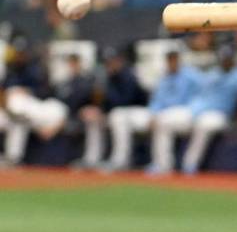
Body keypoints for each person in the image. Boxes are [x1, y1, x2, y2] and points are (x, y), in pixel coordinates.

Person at [148, 45, 237, 175]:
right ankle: (163, 165)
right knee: (162, 120)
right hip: (195, 110)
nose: (225, 61)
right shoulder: (212, 74)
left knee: (204, 124)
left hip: (219, 114)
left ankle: (190, 164)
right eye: (223, 58)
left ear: (233, 60)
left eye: (228, 58)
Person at [104, 50, 202, 171]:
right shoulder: (164, 77)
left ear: (179, 60)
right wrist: (153, 114)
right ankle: (120, 161)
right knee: (117, 115)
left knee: (162, 121)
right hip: (158, 113)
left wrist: (194, 111)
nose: (171, 62)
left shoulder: (192, 76)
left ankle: (163, 165)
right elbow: (156, 101)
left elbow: (201, 95)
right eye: (169, 60)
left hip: (182, 112)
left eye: (174, 59)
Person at [77, 47, 148, 169]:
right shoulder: (109, 77)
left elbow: (125, 101)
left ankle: (120, 160)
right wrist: (99, 110)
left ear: (120, 60)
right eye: (107, 62)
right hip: (121, 113)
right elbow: (106, 103)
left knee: (117, 116)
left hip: (140, 113)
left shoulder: (128, 75)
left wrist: (106, 96)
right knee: (94, 117)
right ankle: (91, 158)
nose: (109, 64)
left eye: (112, 61)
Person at [0, 38, 68, 166]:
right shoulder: (11, 69)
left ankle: (13, 158)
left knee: (19, 109)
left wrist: (28, 91)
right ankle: (13, 158)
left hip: (33, 108)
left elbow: (46, 92)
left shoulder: (35, 69)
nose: (20, 55)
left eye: (22, 53)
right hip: (11, 113)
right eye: (18, 53)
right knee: (17, 119)